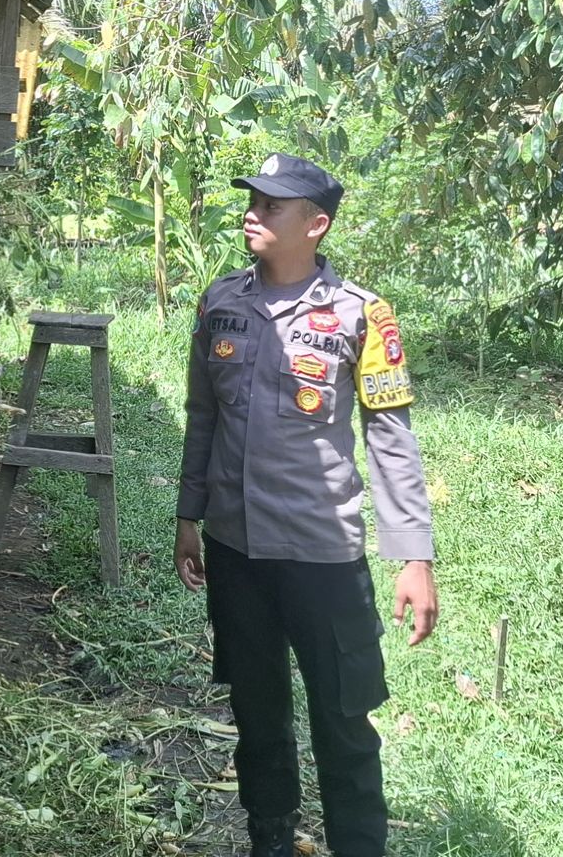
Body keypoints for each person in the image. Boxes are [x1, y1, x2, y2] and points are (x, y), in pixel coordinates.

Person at [174, 152, 439, 857]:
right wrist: (187, 517)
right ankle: (268, 840)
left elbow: (391, 440)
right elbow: (203, 417)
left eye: (271, 207)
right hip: (237, 552)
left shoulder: (362, 316)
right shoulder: (220, 302)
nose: (251, 215)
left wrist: (413, 554)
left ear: (315, 225)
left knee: (344, 722)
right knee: (257, 713)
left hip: (322, 554)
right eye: (252, 202)